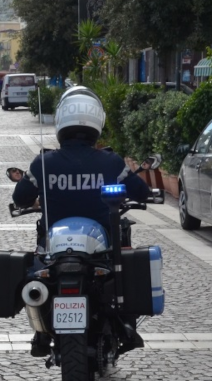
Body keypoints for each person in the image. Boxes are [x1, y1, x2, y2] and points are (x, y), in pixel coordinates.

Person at [10, 86, 150, 357]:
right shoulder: (110, 162)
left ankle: (40, 332)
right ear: (97, 121)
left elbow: (21, 196)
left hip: (55, 250)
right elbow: (142, 193)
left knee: (37, 272)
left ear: (61, 121)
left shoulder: (44, 162)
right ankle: (127, 325)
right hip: (101, 253)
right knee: (124, 260)